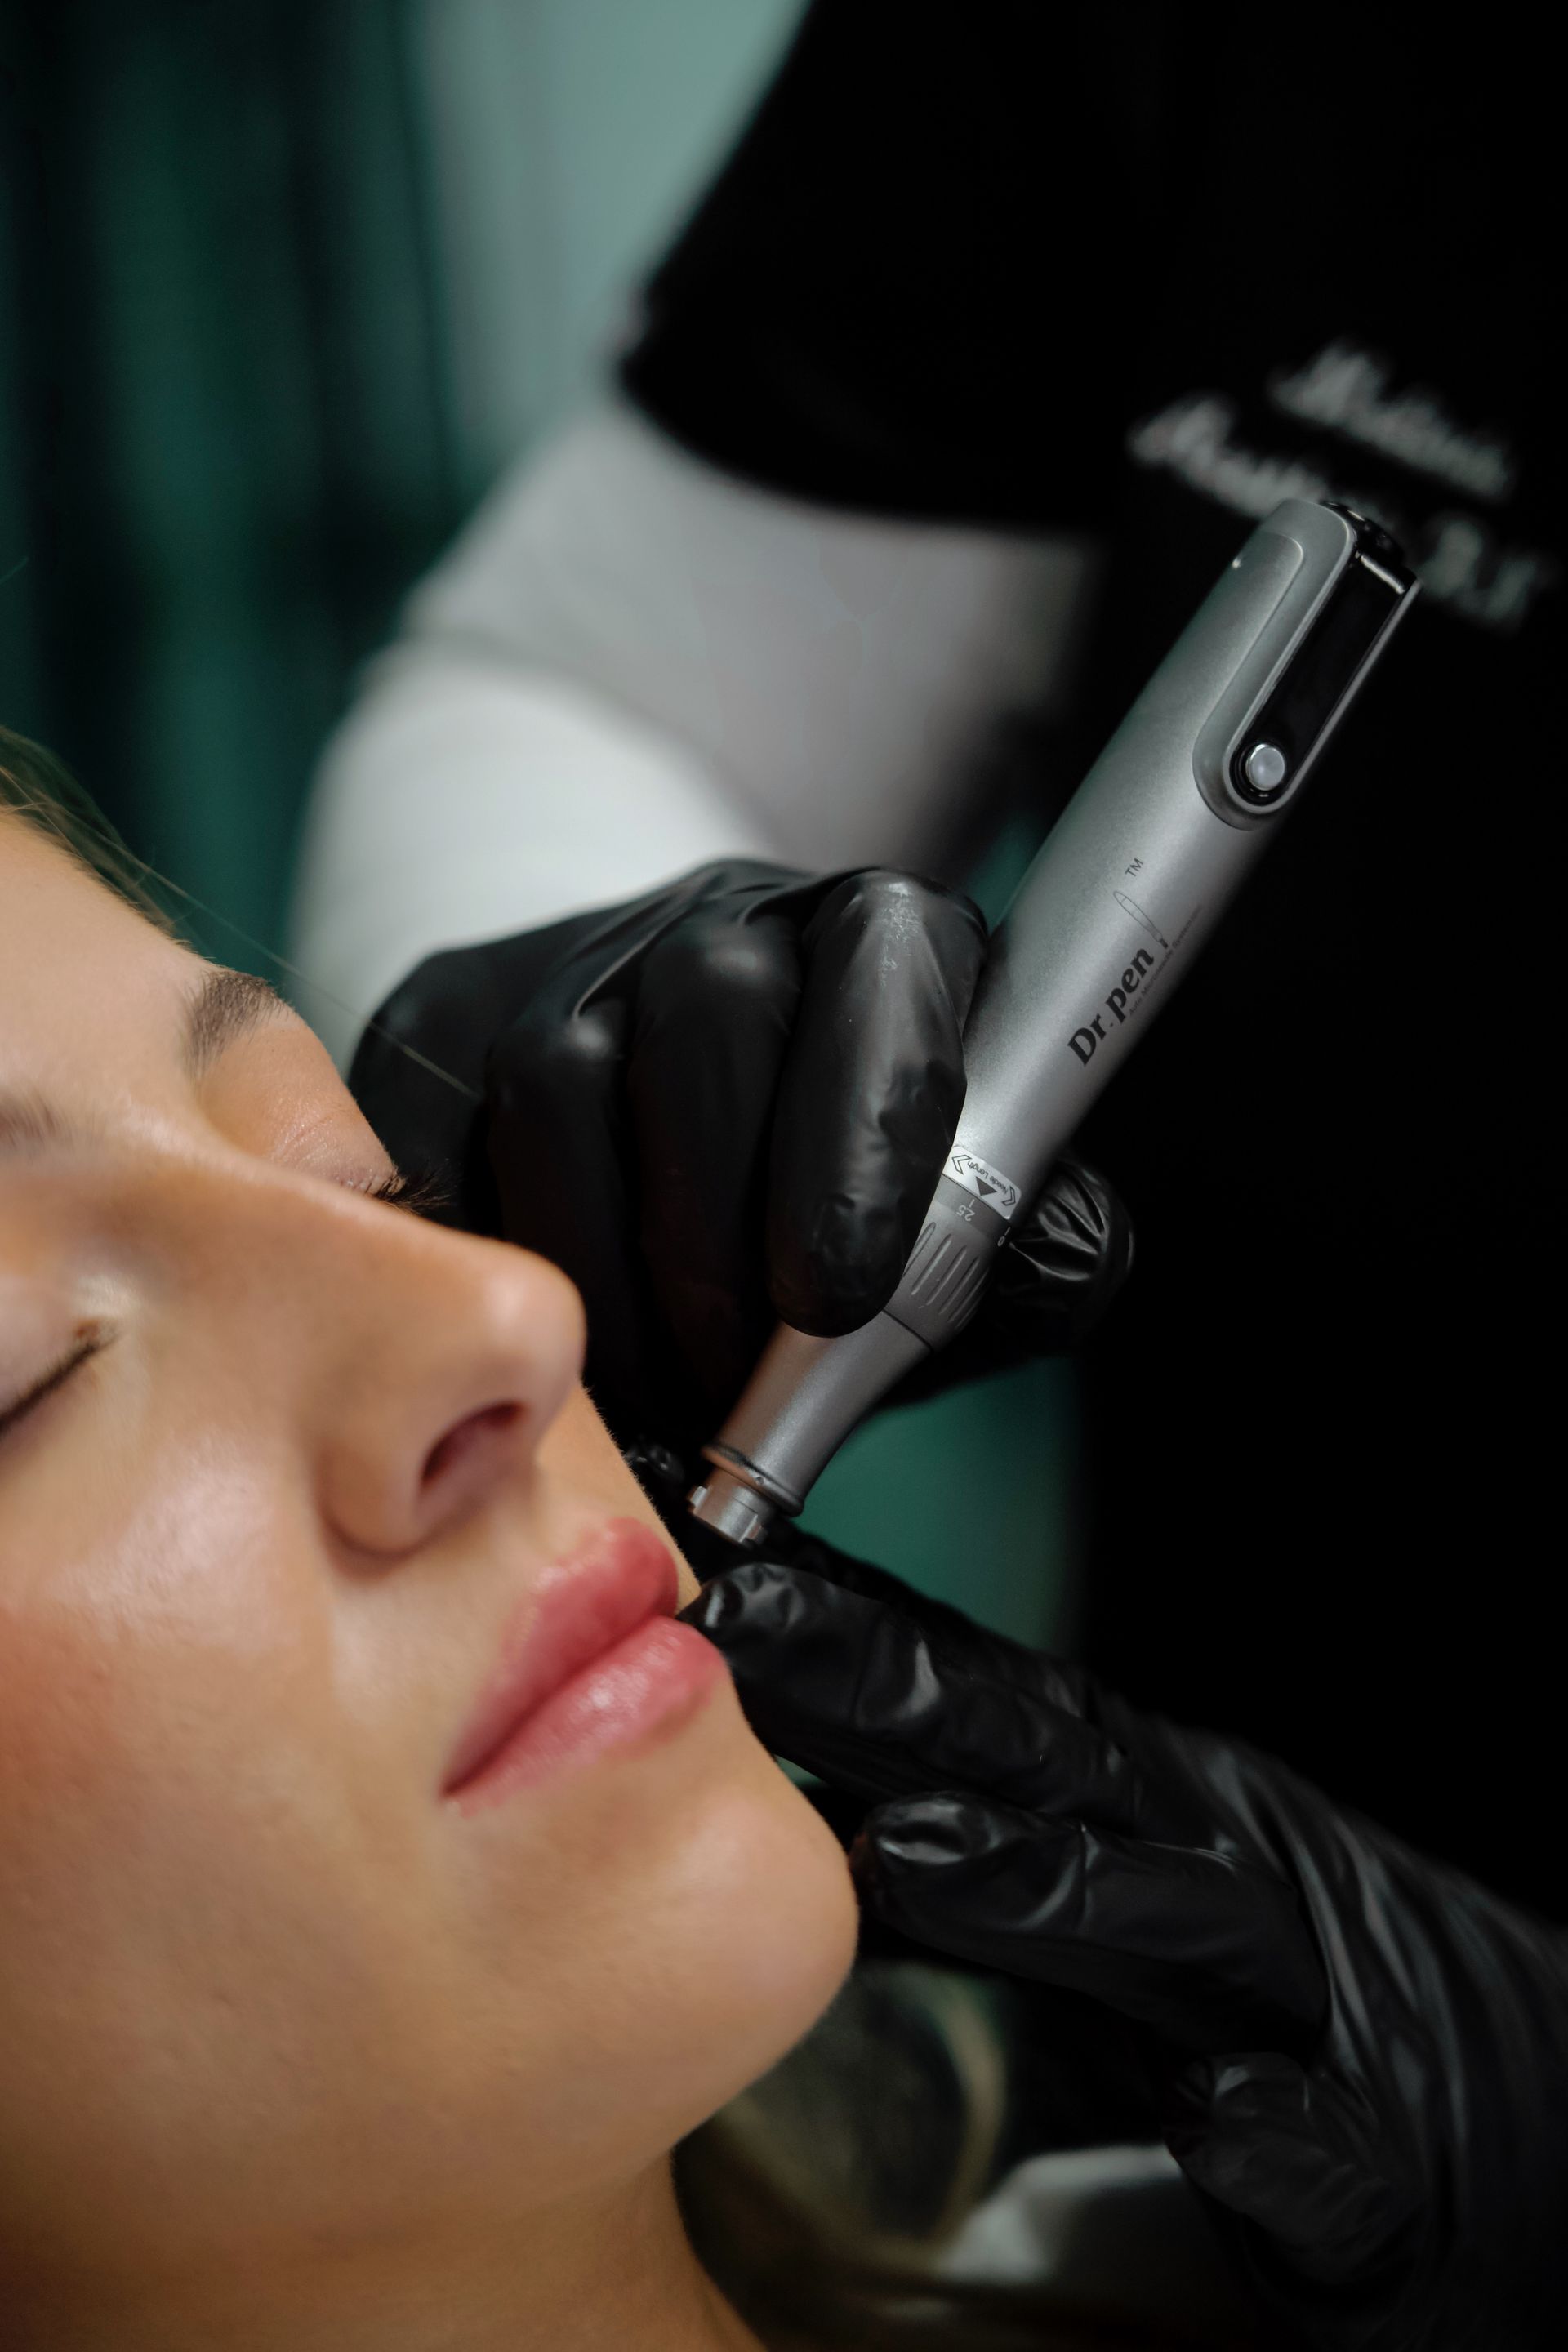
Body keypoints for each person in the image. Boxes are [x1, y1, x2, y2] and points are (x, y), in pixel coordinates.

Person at [291, 0, 1561, 1924]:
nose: (481, 1357)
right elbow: (614, 683)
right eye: (36, 1385)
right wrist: (594, 1029)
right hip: (1188, 1932)